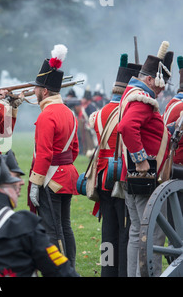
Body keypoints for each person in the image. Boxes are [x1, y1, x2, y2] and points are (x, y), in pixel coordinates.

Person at [117, 41, 173, 277]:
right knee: (153, 235)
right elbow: (128, 127)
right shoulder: (142, 98)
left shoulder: (132, 93)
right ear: (151, 79)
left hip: (132, 176)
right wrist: (140, 159)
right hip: (143, 175)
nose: (161, 90)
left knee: (137, 232)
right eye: (160, 84)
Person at [88, 53, 140, 277]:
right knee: (125, 232)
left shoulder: (99, 113)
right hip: (120, 177)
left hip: (102, 178)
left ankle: (107, 272)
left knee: (107, 233)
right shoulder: (127, 112)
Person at [28, 44, 79, 267]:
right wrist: (63, 166)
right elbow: (74, 149)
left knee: (52, 229)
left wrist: (34, 182)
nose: (35, 91)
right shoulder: (69, 112)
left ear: (45, 91)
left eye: (38, 88)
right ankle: (70, 267)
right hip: (66, 176)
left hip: (50, 178)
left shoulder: (47, 115)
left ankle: (59, 271)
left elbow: (44, 153)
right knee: (65, 226)